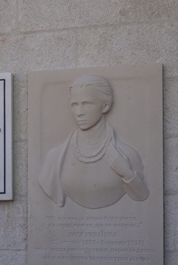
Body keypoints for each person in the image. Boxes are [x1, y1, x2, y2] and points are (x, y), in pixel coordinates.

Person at [38, 74, 149, 209]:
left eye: (87, 104)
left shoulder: (127, 154)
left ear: (105, 106)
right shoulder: (55, 157)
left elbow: (142, 196)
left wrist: (127, 173)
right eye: (74, 104)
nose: (79, 112)